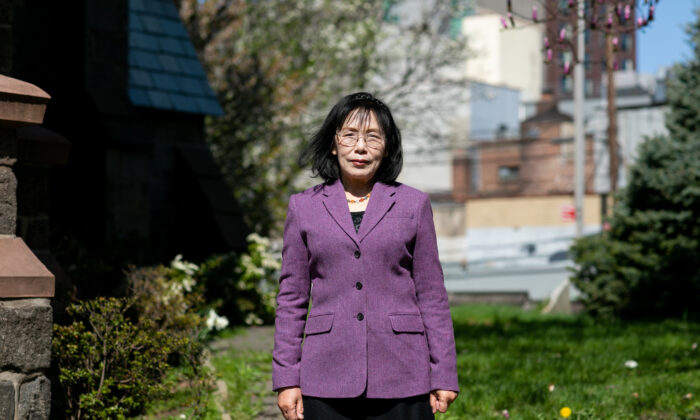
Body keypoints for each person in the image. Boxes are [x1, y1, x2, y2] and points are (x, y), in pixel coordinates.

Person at [272, 92, 459, 420]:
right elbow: (291, 298)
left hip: (403, 374)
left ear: (387, 148)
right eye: (350, 136)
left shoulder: (413, 205)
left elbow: (432, 296)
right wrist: (286, 379)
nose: (360, 147)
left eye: (373, 137)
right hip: (325, 375)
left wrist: (443, 373)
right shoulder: (303, 207)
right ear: (334, 143)